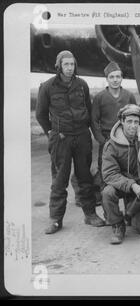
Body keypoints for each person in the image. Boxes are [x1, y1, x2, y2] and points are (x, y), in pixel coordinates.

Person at [36, 50, 105, 234]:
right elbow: (41, 114)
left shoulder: (82, 85)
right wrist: (51, 132)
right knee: (59, 180)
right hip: (61, 138)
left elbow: (89, 111)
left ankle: (90, 215)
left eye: (72, 64)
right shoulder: (48, 86)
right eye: (66, 64)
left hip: (82, 136)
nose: (69, 68)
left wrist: (93, 134)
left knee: (85, 178)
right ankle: (56, 220)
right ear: (59, 66)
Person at [101, 104, 140, 244]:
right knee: (107, 192)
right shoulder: (111, 145)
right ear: (122, 121)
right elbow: (109, 174)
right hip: (124, 186)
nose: (133, 126)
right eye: (129, 122)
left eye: (136, 122)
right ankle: (118, 224)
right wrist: (131, 185)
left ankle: (134, 209)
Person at [91, 62, 137, 189]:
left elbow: (136, 118)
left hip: (126, 141)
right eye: (111, 77)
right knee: (106, 175)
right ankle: (109, 207)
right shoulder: (99, 97)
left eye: (118, 76)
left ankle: (130, 208)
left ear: (122, 78)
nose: (115, 80)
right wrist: (102, 141)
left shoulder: (129, 96)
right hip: (107, 140)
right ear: (107, 79)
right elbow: (94, 121)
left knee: (129, 173)